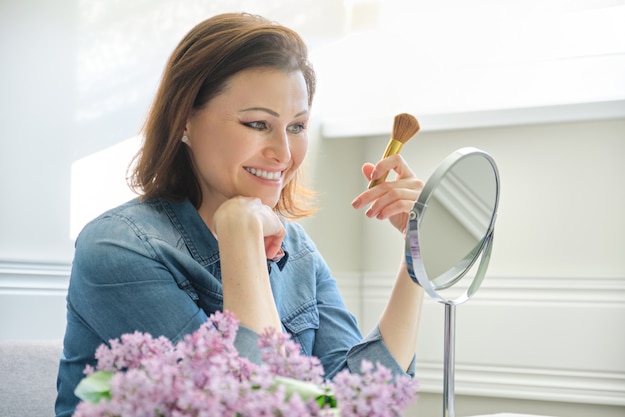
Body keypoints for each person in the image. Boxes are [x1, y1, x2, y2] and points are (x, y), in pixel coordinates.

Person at [55, 12, 425, 417]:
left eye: (297, 127)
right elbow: (249, 408)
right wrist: (240, 238)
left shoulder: (296, 249)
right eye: (257, 123)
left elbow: (360, 400)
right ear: (184, 120)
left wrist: (418, 254)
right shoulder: (117, 248)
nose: (284, 153)